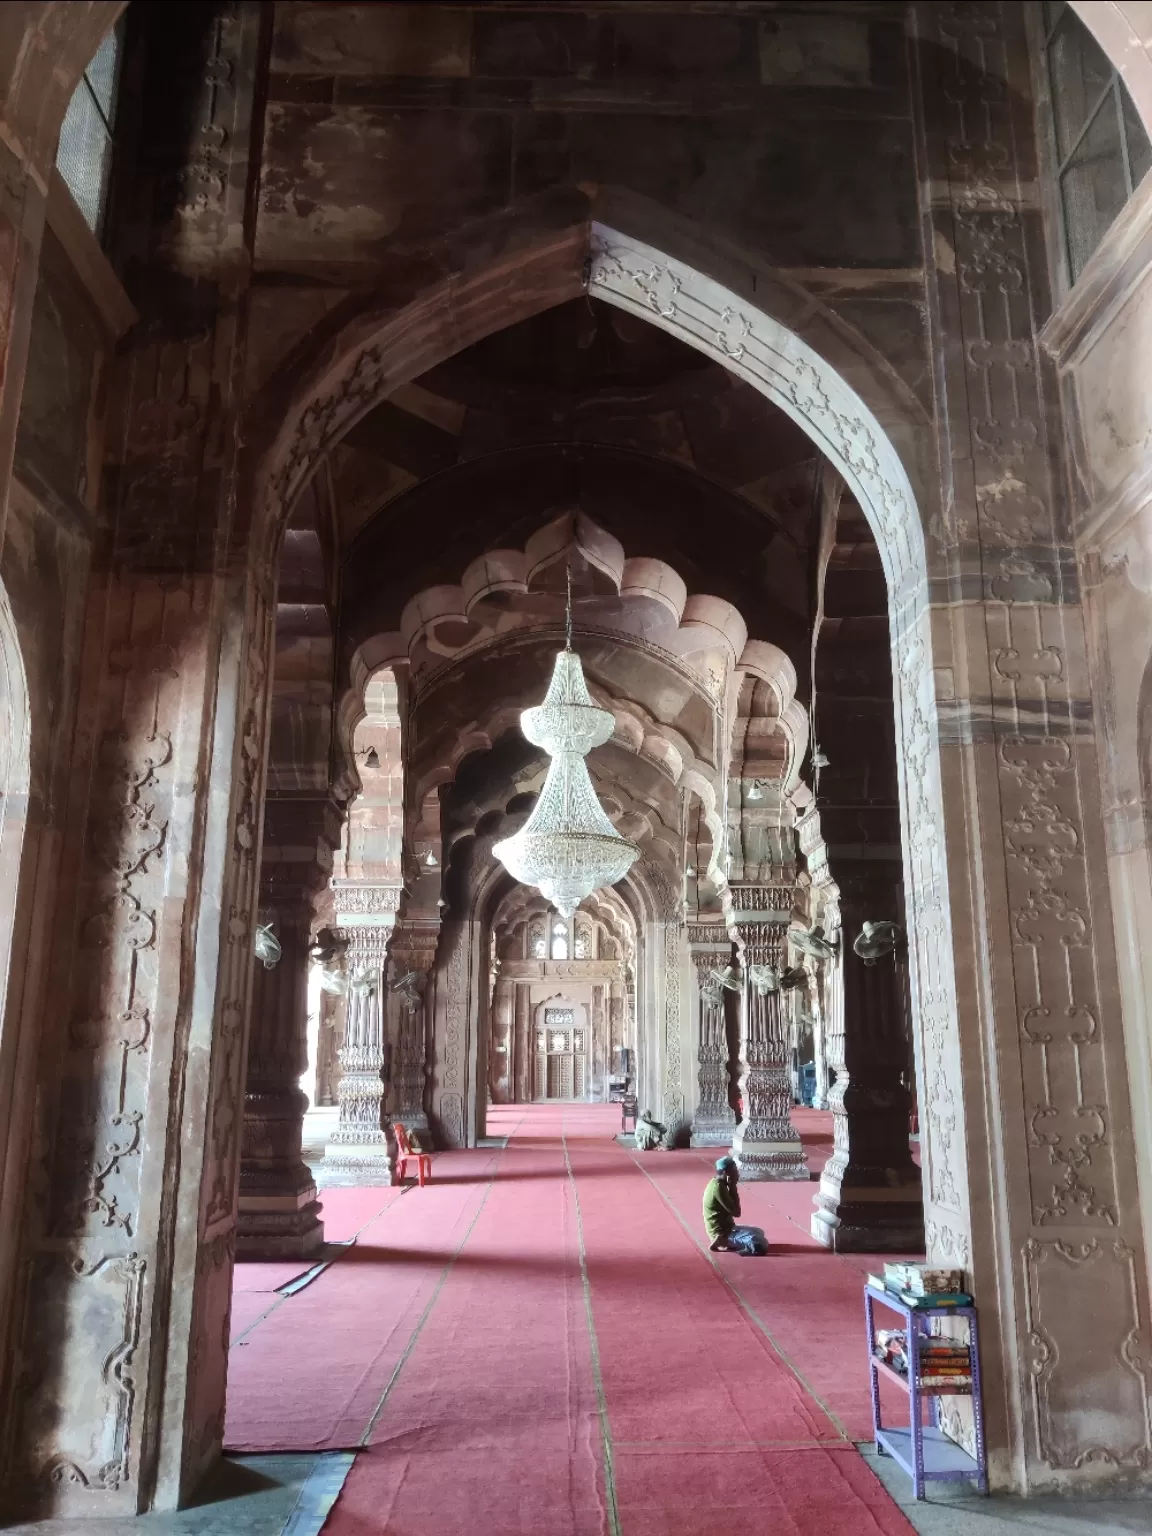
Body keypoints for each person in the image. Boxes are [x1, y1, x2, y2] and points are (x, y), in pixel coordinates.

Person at [703, 1155, 769, 1254]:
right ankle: (721, 1242)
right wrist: (733, 1186)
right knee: (760, 1242)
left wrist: (731, 1185)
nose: (737, 1173)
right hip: (722, 1232)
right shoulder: (718, 1188)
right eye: (734, 1171)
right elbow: (737, 1213)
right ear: (726, 1173)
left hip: (729, 1227)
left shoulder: (719, 1183)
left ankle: (728, 1242)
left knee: (759, 1231)